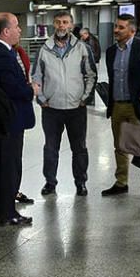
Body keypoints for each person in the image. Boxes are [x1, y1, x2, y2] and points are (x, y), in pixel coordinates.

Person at [31, 11, 96, 197]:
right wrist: (41, 98)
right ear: (53, 24)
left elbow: (90, 74)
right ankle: (50, 183)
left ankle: (81, 182)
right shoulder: (44, 49)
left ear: (71, 25)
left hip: (77, 109)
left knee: (80, 148)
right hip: (51, 109)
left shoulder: (82, 48)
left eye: (65, 22)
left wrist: (85, 98)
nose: (61, 26)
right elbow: (36, 76)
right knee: (51, 148)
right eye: (58, 22)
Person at [0, 12, 36, 225]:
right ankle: (8, 212)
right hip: (9, 119)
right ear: (6, 31)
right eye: (16, 26)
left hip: (2, 119)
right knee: (9, 165)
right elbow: (13, 88)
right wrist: (31, 89)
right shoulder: (2, 54)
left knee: (0, 163)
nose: (19, 30)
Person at [101, 13, 140, 197]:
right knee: (119, 146)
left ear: (132, 29)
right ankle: (121, 182)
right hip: (118, 105)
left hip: (139, 107)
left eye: (121, 27)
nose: (116, 30)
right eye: (116, 27)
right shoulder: (112, 51)